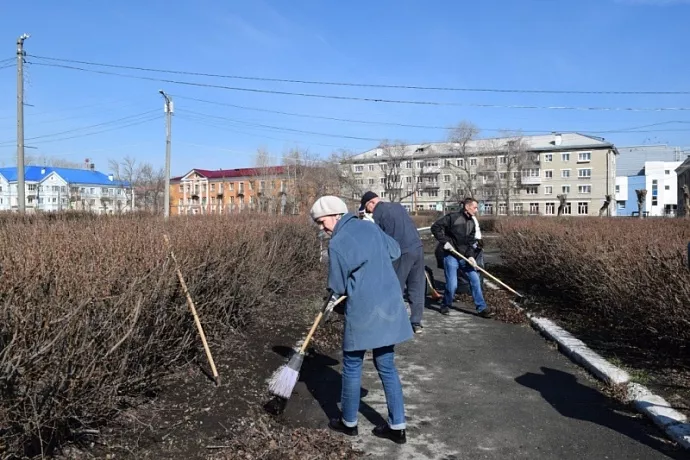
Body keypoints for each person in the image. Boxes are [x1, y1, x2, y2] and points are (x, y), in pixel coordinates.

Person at [310, 195, 413, 444]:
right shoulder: (370, 226)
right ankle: (398, 427)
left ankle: (349, 422)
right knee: (386, 365)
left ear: (335, 216)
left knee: (353, 365)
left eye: (322, 222)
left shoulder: (337, 243)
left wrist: (334, 297)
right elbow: (395, 251)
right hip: (389, 304)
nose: (321, 228)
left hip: (364, 310)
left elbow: (337, 284)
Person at [359, 191, 425, 334]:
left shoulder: (378, 214)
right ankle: (416, 322)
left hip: (401, 252)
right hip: (417, 248)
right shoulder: (398, 206)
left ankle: (394, 321)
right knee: (417, 286)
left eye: (366, 208)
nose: (368, 212)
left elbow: (380, 238)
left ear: (371, 203)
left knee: (395, 287)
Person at [431, 197, 494, 318]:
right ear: (467, 207)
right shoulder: (452, 218)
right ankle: (446, 304)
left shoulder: (472, 222)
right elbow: (435, 227)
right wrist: (445, 242)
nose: (476, 210)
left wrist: (470, 256)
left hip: (464, 257)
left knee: (475, 280)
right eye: (475, 207)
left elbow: (471, 242)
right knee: (452, 285)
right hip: (451, 255)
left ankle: (482, 308)